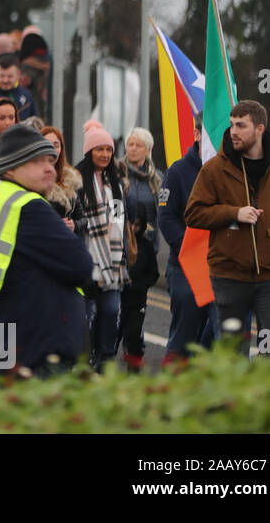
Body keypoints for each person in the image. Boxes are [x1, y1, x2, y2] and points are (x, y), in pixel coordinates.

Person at [0, 125, 92, 375]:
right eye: (37, 161)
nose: (49, 168)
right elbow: (82, 265)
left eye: (50, 160)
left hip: (3, 342)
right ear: (12, 167)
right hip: (36, 351)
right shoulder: (29, 206)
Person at [185, 100, 270, 356]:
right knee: (232, 350)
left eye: (241, 125)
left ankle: (266, 395)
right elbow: (193, 213)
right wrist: (233, 213)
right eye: (232, 125)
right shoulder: (214, 169)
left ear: (260, 129)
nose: (233, 131)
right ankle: (233, 397)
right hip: (228, 273)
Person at [156, 119, 219, 361]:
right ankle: (172, 387)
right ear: (196, 134)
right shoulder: (178, 171)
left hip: (218, 266)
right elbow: (166, 216)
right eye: (209, 133)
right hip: (185, 266)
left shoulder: (228, 171)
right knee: (184, 333)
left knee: (218, 333)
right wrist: (190, 246)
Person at [73, 122, 130, 369]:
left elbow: (120, 221)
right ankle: (84, 360)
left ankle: (105, 359)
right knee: (86, 317)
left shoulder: (115, 183)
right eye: (100, 149)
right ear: (89, 152)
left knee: (111, 312)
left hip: (114, 263)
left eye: (109, 149)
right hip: (87, 260)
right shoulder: (76, 182)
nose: (105, 154)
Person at [119, 127, 162, 371]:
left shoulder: (158, 179)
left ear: (148, 150)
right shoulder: (117, 173)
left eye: (138, 145)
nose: (132, 149)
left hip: (146, 253)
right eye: (130, 144)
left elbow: (161, 215)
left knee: (137, 308)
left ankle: (134, 349)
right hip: (121, 249)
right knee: (118, 308)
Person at [0, 53, 37, 118]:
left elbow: (36, 122)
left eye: (10, 76)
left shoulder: (27, 96)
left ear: (18, 75)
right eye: (2, 76)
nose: (5, 80)